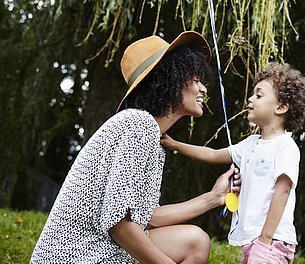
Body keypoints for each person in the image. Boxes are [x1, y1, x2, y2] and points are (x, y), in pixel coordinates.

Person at [30, 31, 240, 264]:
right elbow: (119, 225)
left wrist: (214, 197)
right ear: (171, 77)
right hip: (78, 256)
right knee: (193, 241)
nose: (204, 89)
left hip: (101, 249)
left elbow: (146, 218)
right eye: (196, 79)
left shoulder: (149, 134)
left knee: (195, 241)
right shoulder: (138, 125)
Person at [161, 62, 305, 264]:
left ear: (281, 107)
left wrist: (265, 240)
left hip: (272, 242)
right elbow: (214, 155)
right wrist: (174, 144)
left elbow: (282, 192)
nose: (250, 99)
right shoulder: (250, 143)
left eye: (259, 95)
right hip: (254, 241)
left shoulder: (285, 146)